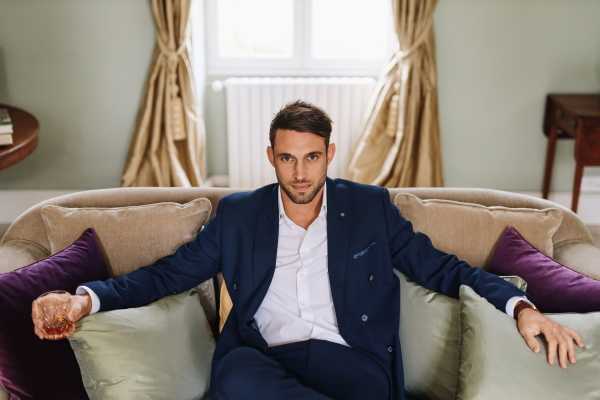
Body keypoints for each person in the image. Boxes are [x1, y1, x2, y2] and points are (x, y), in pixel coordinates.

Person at [33, 101, 584, 400]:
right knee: (238, 378)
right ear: (270, 156)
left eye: (313, 158)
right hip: (261, 359)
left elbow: (444, 269)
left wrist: (523, 307)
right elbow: (162, 276)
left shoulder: (370, 209)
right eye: (288, 158)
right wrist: (86, 300)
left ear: (330, 155)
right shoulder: (240, 216)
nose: (300, 173)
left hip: (352, 361)